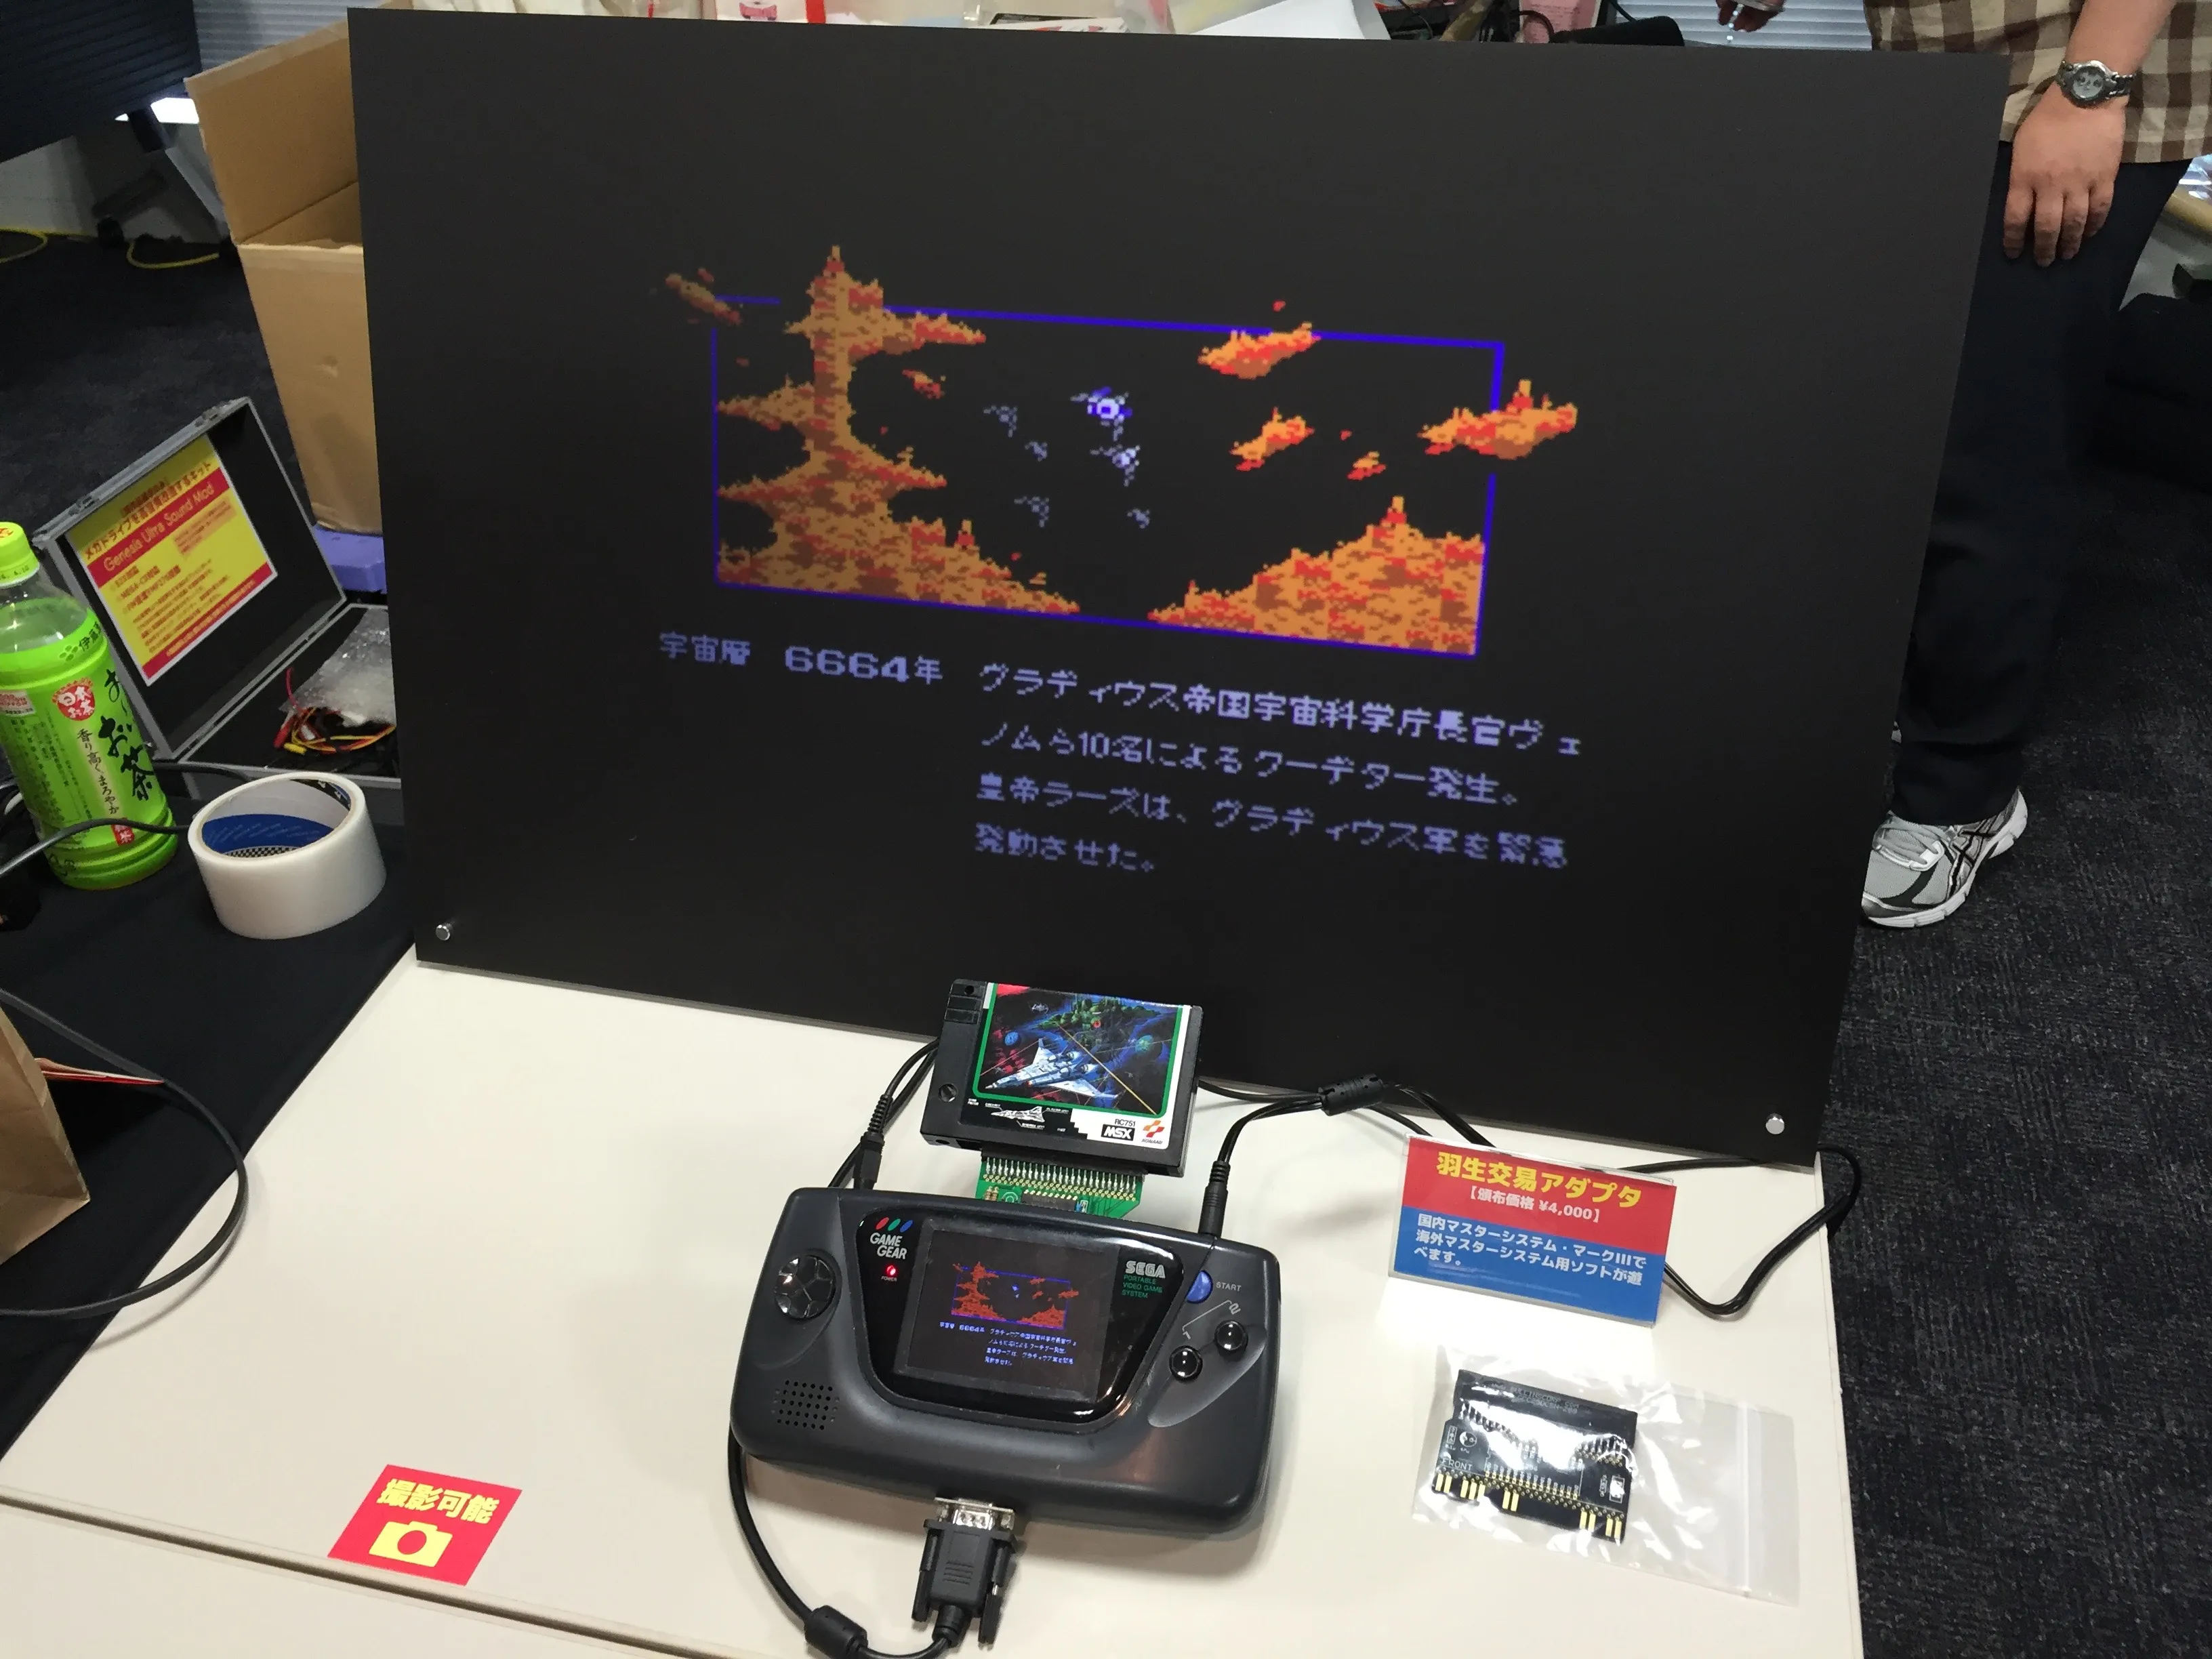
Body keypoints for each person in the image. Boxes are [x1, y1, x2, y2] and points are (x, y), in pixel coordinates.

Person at [1721, 0, 2207, 926]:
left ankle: (1964, 790)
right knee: (1905, 404)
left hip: (2075, 71)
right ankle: (1914, 687)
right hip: (1942, 70)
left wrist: (2092, 87)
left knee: (1991, 440)